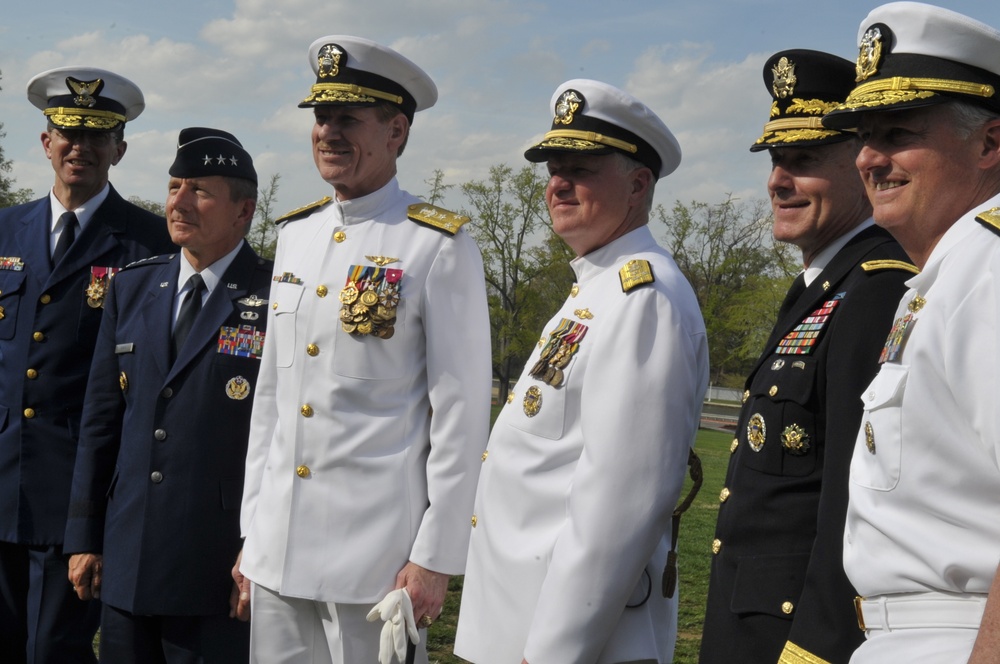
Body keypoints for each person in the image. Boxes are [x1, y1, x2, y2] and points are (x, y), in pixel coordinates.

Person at [235, 36, 491, 664]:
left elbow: (459, 414)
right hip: (278, 549)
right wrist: (252, 530)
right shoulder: (295, 235)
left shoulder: (436, 245)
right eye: (321, 118)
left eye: (348, 118)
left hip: (375, 565)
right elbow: (272, 396)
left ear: (397, 130)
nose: (327, 132)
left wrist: (433, 558)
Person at [454, 78, 709, 664]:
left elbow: (621, 503)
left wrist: (552, 652)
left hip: (576, 644)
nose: (559, 183)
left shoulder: (644, 297)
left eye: (584, 167)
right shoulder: (597, 289)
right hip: (519, 623)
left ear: (639, 183)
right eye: (554, 168)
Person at [699, 50, 916, 664]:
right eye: (775, 160)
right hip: (750, 619)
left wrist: (817, 646)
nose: (778, 180)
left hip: (793, 639)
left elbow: (857, 498)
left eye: (804, 160)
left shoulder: (875, 288)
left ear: (860, 164)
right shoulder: (825, 285)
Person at [818, 3, 1000, 662]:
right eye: (865, 136)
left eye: (897, 132)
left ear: (990, 143)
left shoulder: (989, 266)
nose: (868, 158)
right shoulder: (946, 273)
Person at [61, 127, 269, 662]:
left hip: (217, 565)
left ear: (243, 211)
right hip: (129, 556)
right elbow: (101, 422)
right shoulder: (132, 287)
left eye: (199, 190)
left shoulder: (274, 296)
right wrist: (85, 536)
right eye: (175, 185)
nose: (178, 202)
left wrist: (261, 551)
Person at [0, 66, 175, 663]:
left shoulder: (150, 245)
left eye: (97, 135)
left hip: (77, 495)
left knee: (55, 650)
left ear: (119, 149)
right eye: (67, 133)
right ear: (46, 142)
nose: (81, 147)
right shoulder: (3, 230)